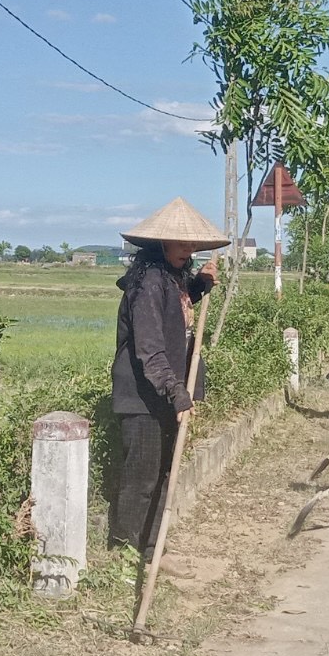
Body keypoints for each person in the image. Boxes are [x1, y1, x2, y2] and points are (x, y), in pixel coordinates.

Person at [109, 197, 228, 577]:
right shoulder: (146, 284)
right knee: (141, 478)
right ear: (160, 245)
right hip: (144, 396)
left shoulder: (171, 279)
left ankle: (152, 550)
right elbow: (149, 347)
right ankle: (124, 553)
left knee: (165, 473)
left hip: (166, 392)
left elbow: (175, 314)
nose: (189, 250)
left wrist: (199, 286)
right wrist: (176, 391)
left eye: (192, 245)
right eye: (182, 244)